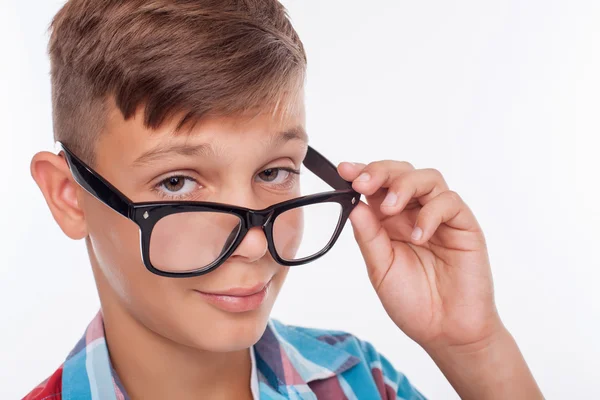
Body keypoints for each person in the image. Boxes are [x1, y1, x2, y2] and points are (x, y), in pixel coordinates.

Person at [23, 0, 543, 399]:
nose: (253, 243)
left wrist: (472, 346)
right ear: (70, 196)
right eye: (177, 182)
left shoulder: (357, 381)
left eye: (273, 171)